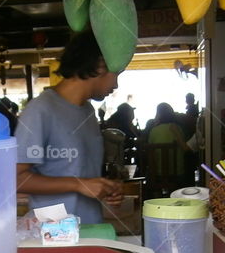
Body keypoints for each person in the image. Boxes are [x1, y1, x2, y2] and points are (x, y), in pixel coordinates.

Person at [15, 31, 123, 224]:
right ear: (100, 65)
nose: (116, 84)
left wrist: (104, 189)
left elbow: (81, 176)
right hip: (54, 237)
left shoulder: (88, 111)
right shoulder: (40, 110)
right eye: (117, 74)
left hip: (90, 230)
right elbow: (15, 180)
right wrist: (78, 185)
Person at [145, 102, 191, 178]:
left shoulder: (153, 130)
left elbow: (151, 152)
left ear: (158, 115)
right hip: (177, 173)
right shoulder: (178, 128)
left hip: (158, 173)